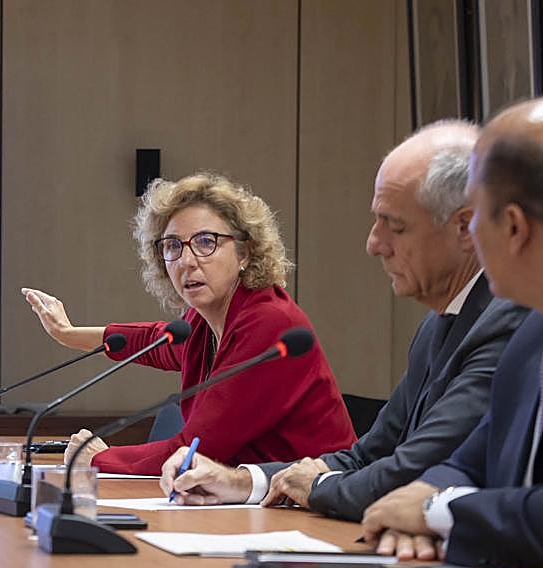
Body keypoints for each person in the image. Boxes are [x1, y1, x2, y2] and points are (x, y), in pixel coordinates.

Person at [160, 122, 528, 520]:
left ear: (464, 228)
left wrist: (317, 487)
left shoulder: (505, 321)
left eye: (396, 225)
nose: (373, 243)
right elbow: (370, 453)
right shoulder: (437, 324)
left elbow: (415, 470)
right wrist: (244, 481)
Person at [22, 172, 354, 475]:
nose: (186, 261)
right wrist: (68, 334)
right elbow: (156, 342)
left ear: (244, 253)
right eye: (172, 246)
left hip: (311, 508)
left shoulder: (269, 321)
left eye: (206, 242)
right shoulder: (205, 319)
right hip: (253, 502)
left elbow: (196, 449)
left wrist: (97, 457)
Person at [360, 100, 543, 568]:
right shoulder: (531, 333)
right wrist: (422, 501)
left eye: (476, 216)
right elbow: (466, 461)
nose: (472, 236)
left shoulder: (511, 323)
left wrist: (434, 511)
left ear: (515, 228)